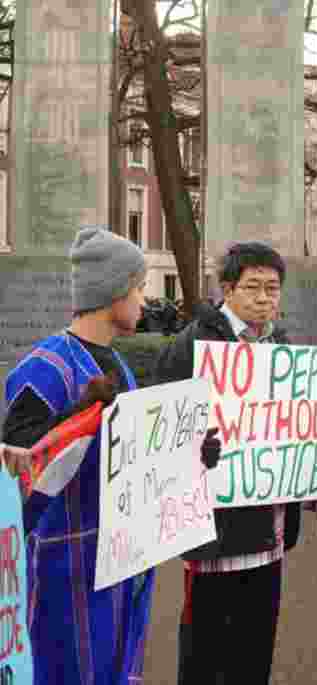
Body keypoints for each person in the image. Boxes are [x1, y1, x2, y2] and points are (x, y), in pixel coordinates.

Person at [1, 226, 191, 684]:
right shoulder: (43, 368)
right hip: (63, 571)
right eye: (138, 288)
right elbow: (18, 472)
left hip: (118, 563)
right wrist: (79, 412)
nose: (144, 302)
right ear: (112, 293)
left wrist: (191, 453)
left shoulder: (119, 365)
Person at [154, 242, 317, 684]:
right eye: (252, 287)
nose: (264, 298)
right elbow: (163, 425)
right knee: (206, 643)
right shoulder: (193, 344)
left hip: (270, 524)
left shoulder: (280, 342)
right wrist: (195, 448)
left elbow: (293, 416)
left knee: (255, 642)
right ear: (228, 289)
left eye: (272, 288)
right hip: (215, 530)